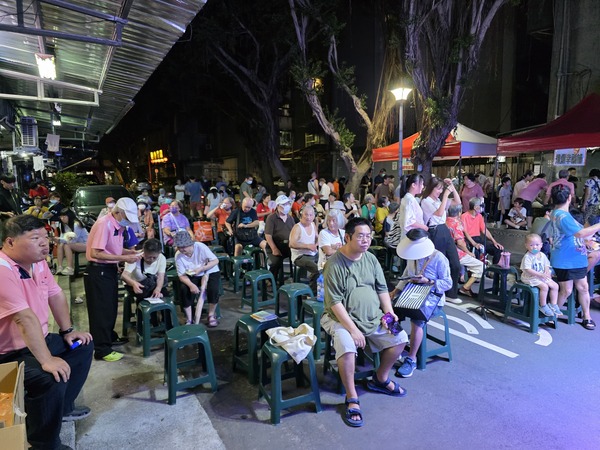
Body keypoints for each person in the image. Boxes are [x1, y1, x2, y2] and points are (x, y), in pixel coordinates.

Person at [0, 215, 93, 450]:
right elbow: (24, 318)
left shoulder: (38, 263)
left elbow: (55, 294)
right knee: (50, 377)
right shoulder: (3, 270)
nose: (44, 243)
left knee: (81, 346)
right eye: (35, 238)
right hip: (9, 353)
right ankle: (44, 444)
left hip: (37, 340)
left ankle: (60, 410)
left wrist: (68, 330)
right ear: (10, 242)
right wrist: (47, 359)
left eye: (45, 237)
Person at [321, 217, 408, 427]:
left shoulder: (370, 259)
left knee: (400, 337)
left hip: (372, 316)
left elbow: (381, 289)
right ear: (347, 237)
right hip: (341, 319)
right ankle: (352, 397)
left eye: (368, 236)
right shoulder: (334, 264)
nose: (366, 240)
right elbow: (335, 303)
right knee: (347, 346)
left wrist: (389, 314)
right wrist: (353, 330)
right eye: (360, 236)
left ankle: (380, 379)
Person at [85, 197, 142, 362]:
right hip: (98, 271)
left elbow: (113, 248)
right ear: (119, 212)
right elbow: (96, 253)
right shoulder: (105, 224)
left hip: (108, 270)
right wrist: (124, 258)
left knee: (110, 308)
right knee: (101, 311)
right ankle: (102, 349)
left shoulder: (118, 225)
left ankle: (109, 337)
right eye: (127, 217)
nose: (127, 221)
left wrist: (129, 253)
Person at [390, 229, 452, 378]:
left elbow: (448, 283)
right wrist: (394, 292)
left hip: (433, 299)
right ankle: (398, 344)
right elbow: (406, 275)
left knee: (416, 319)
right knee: (390, 312)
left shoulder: (439, 258)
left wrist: (429, 281)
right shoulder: (412, 255)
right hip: (412, 293)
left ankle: (411, 359)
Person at [550, 185, 600, 330]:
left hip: (575, 257)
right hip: (566, 259)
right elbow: (580, 233)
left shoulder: (558, 213)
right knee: (567, 290)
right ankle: (553, 315)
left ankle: (586, 316)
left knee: (582, 287)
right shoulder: (563, 216)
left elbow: (577, 234)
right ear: (569, 197)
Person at [420, 177, 462, 303]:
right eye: (438, 189)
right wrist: (445, 195)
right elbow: (438, 213)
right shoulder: (425, 201)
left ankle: (451, 293)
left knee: (455, 263)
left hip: (444, 228)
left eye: (441, 189)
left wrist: (452, 187)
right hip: (435, 231)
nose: (440, 191)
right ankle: (437, 291)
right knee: (439, 263)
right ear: (431, 188)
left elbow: (458, 202)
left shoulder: (439, 200)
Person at [174, 230, 221, 326]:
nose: (181, 249)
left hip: (209, 270)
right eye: (179, 247)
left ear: (190, 244)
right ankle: (189, 319)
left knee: (213, 289)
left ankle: (211, 315)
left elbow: (215, 261)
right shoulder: (178, 255)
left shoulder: (200, 247)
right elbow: (181, 275)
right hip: (192, 274)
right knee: (184, 289)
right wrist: (191, 285)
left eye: (183, 247)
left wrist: (203, 268)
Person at [446, 205, 484, 297]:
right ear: (459, 213)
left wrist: (474, 244)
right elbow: (460, 243)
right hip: (457, 253)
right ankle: (465, 288)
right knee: (481, 266)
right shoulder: (456, 223)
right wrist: (469, 252)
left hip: (446, 252)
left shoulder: (445, 221)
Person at [520, 233, 560, 317]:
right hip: (530, 277)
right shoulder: (528, 257)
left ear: (541, 245)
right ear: (526, 246)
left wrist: (547, 272)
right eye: (531, 245)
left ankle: (553, 304)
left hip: (540, 276)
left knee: (555, 286)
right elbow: (527, 269)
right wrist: (540, 274)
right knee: (544, 287)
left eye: (537, 245)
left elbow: (546, 265)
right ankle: (543, 305)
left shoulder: (542, 255)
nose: (534, 247)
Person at [121, 238, 168, 308]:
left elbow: (160, 277)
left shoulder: (161, 258)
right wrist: (133, 283)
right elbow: (124, 276)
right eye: (148, 257)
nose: (151, 260)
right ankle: (142, 313)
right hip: (135, 284)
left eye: (154, 257)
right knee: (145, 296)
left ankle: (165, 314)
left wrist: (158, 289)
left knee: (164, 294)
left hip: (152, 283)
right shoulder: (135, 257)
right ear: (143, 252)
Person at [461, 197, 504, 264]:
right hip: (469, 240)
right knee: (477, 251)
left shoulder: (479, 216)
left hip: (478, 238)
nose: (482, 207)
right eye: (481, 206)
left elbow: (484, 230)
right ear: (475, 207)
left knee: (498, 249)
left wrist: (494, 242)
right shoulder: (464, 216)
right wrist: (474, 243)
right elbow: (465, 232)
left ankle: (494, 268)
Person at [264, 195, 295, 283]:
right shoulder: (271, 218)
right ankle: (270, 280)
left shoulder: (290, 218)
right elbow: (268, 235)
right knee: (276, 262)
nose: (286, 206)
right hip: (274, 245)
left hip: (288, 246)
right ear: (278, 206)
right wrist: (274, 248)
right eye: (284, 204)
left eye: (287, 204)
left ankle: (295, 278)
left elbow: (294, 232)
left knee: (299, 259)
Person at [289, 205, 319, 291]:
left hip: (312, 253)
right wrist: (307, 246)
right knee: (316, 269)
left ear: (314, 216)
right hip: (300, 256)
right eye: (306, 214)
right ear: (301, 215)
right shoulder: (297, 227)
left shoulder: (313, 224)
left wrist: (316, 244)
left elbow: (317, 237)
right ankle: (311, 291)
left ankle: (318, 287)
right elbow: (291, 244)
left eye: (310, 215)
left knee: (326, 264)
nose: (308, 217)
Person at [53, 208, 88, 276]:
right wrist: (57, 239)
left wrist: (60, 239)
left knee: (67, 245)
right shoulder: (63, 225)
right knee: (61, 244)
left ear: (69, 216)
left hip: (85, 244)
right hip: (75, 244)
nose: (62, 218)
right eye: (61, 217)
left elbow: (73, 240)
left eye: (64, 216)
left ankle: (70, 268)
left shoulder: (76, 224)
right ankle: (59, 267)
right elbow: (63, 237)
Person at [397, 174, 429, 240]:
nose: (423, 187)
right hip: (412, 236)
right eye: (421, 184)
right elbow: (410, 221)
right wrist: (424, 227)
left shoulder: (408, 198)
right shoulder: (409, 199)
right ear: (413, 185)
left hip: (412, 235)